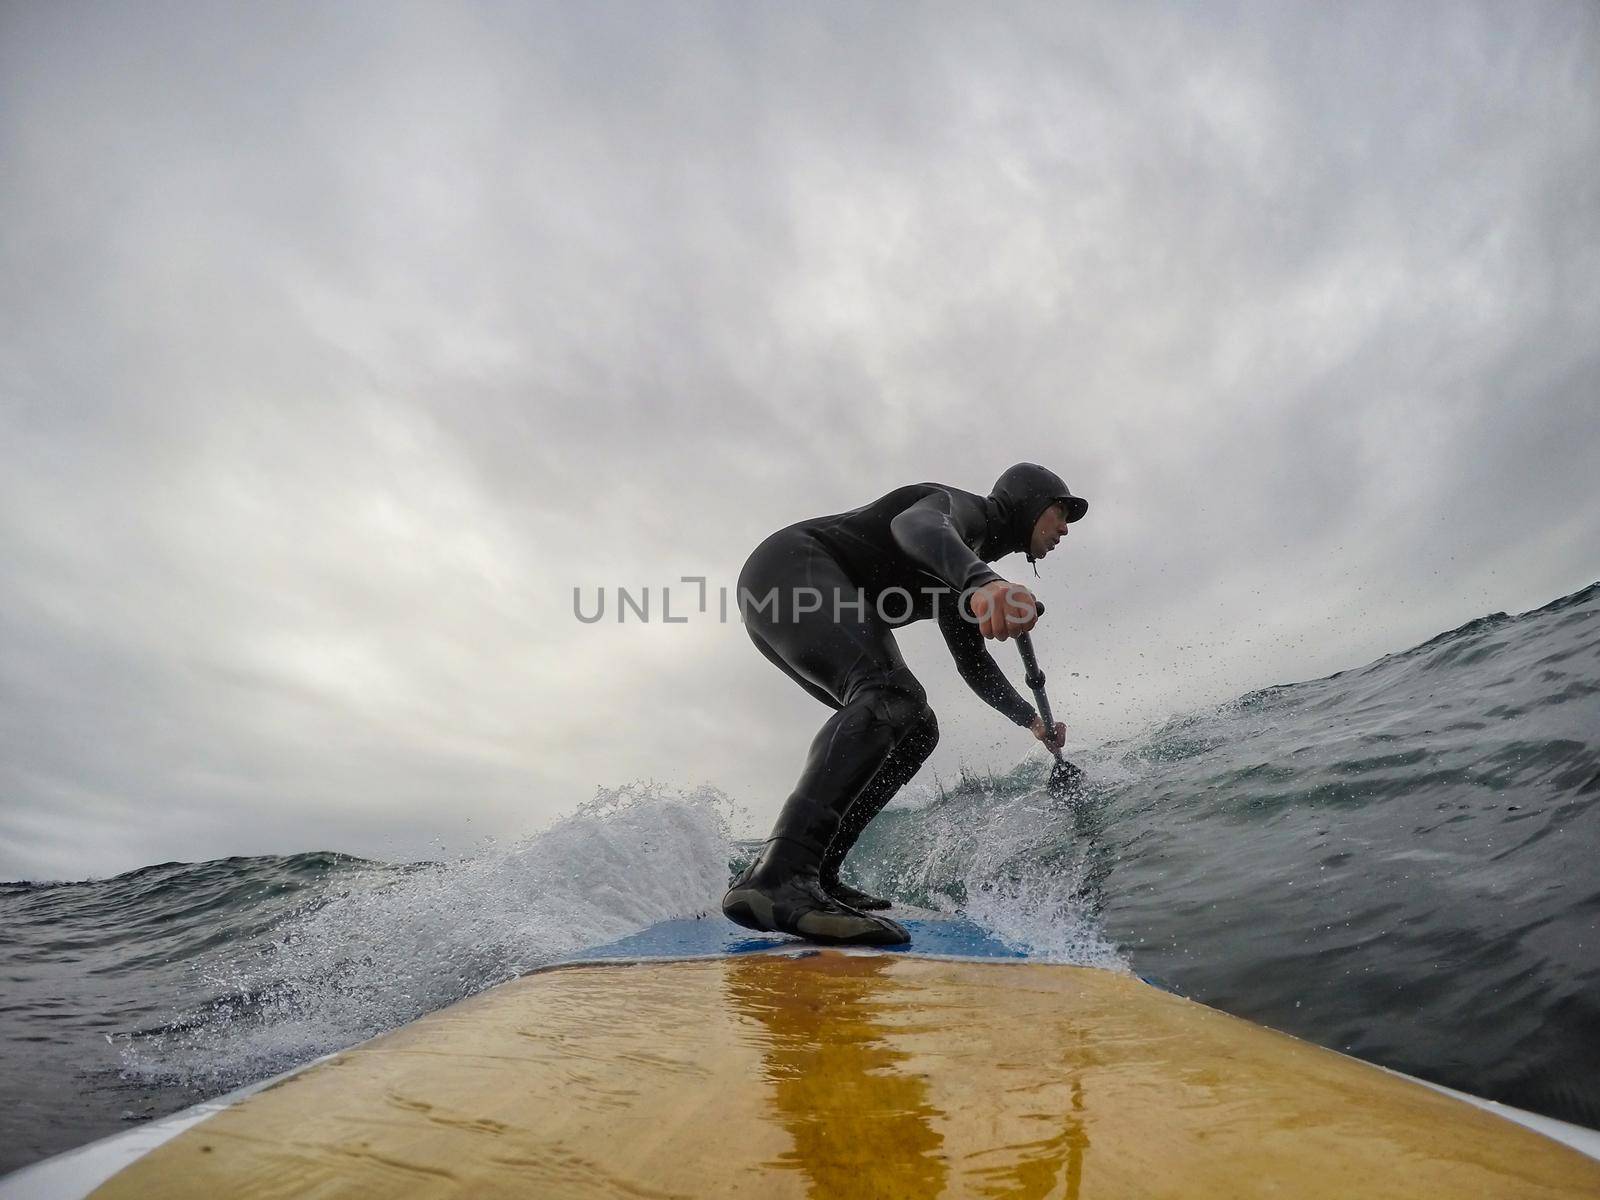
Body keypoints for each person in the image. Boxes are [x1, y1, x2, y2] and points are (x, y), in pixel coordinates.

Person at [722, 462, 1088, 946]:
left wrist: (1031, 720)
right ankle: (780, 876)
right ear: (1028, 502)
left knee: (916, 725)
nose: (1064, 528)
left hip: (779, 589)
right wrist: (984, 582)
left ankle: (818, 873)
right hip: (792, 569)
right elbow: (912, 526)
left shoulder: (956, 564)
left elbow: (973, 666)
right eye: (1060, 512)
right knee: (893, 696)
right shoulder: (960, 512)